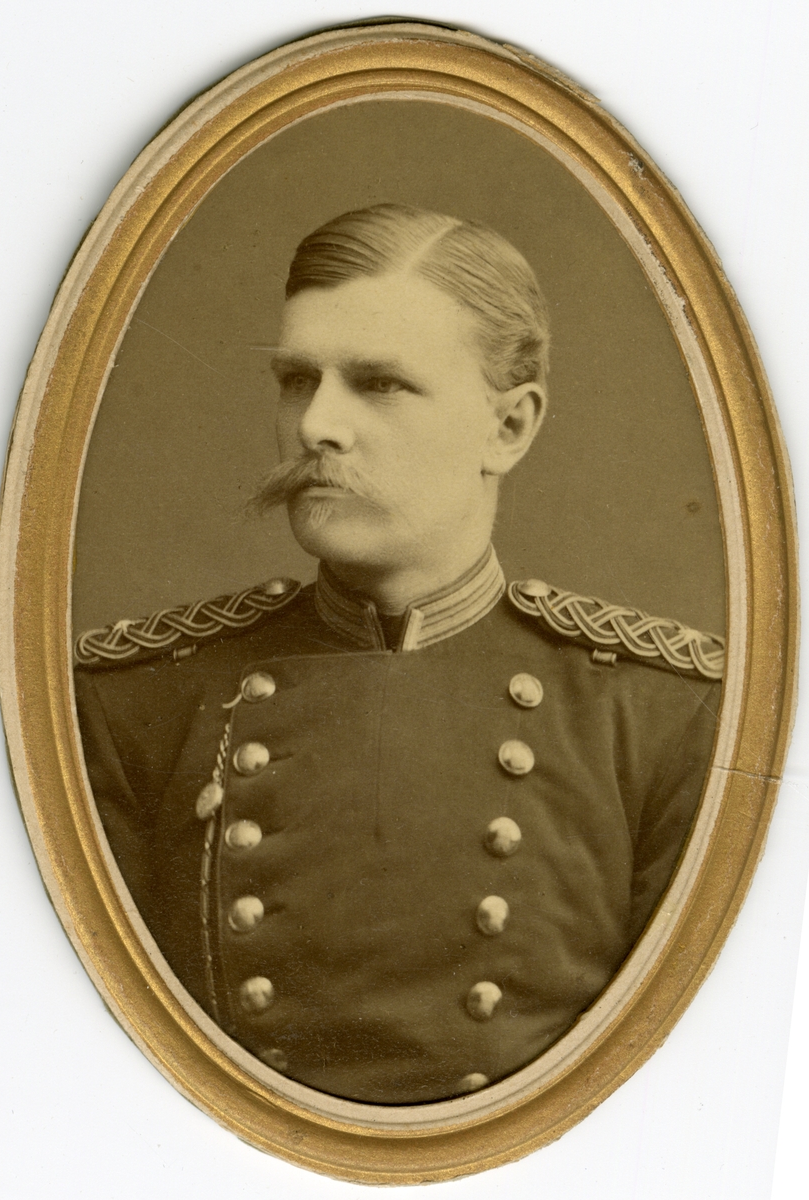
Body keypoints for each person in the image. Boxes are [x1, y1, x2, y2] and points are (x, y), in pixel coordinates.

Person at [74, 204, 723, 1106]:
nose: (317, 425)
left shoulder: (661, 715)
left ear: (510, 428)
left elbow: (687, 1092)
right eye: (298, 380)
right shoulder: (134, 702)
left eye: (379, 384)